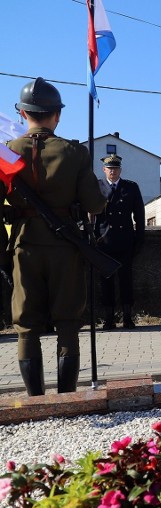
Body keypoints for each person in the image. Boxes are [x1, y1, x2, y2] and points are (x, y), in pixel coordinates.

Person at [0, 77, 106, 395]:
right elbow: (95, 204)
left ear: (22, 113)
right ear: (56, 115)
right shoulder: (74, 153)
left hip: (23, 245)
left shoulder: (7, 153)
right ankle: (67, 398)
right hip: (65, 247)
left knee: (26, 327)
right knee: (68, 323)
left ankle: (35, 399)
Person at [93, 154, 145, 329]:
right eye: (110, 168)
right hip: (104, 242)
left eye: (115, 168)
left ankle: (128, 317)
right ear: (104, 170)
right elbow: (89, 213)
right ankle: (109, 319)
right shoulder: (97, 187)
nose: (112, 171)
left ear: (120, 170)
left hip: (125, 241)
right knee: (106, 281)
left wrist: (139, 239)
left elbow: (139, 214)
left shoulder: (130, 187)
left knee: (126, 280)